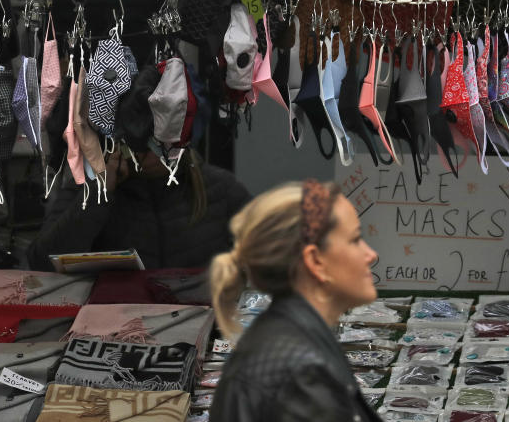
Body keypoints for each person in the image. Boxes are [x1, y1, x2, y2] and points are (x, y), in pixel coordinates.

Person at [209, 180, 381, 422]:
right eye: (355, 240)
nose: (371, 255)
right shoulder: (302, 371)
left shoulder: (293, 339)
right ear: (316, 261)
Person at [26, 148, 251, 270]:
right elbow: (42, 263)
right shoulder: (90, 186)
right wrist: (99, 193)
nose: (150, 142)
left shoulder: (219, 188)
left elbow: (275, 259)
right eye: (140, 130)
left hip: (203, 327)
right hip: (117, 333)